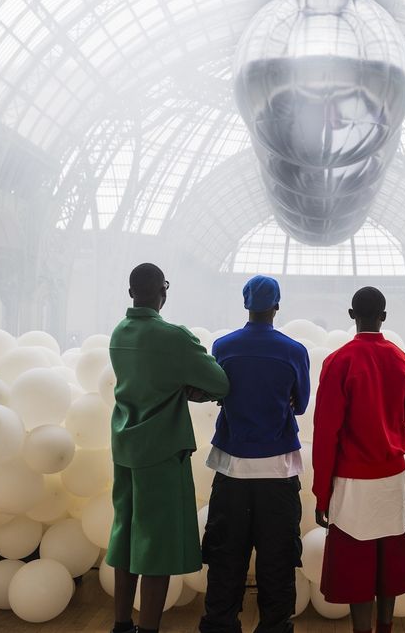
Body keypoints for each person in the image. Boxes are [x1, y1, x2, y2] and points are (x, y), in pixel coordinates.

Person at [106, 263, 230, 633]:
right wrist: (192, 390)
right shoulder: (175, 337)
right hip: (161, 451)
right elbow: (220, 383)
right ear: (164, 291)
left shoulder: (118, 333)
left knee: (126, 539)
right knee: (156, 548)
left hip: (125, 446)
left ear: (131, 293)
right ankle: (149, 629)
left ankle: (121, 624)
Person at [199, 275, 310, 633]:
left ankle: (219, 626)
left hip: (231, 469)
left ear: (245, 304)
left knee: (225, 558)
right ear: (277, 306)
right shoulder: (294, 351)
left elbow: (219, 391)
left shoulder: (224, 347)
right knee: (277, 563)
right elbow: (301, 404)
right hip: (277, 471)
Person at [311, 287, 405, 633]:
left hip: (352, 477)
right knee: (390, 559)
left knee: (357, 564)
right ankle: (385, 627)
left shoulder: (339, 361)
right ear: (383, 317)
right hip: (391, 475)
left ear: (351, 314)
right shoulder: (400, 358)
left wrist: (321, 493)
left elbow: (326, 433)